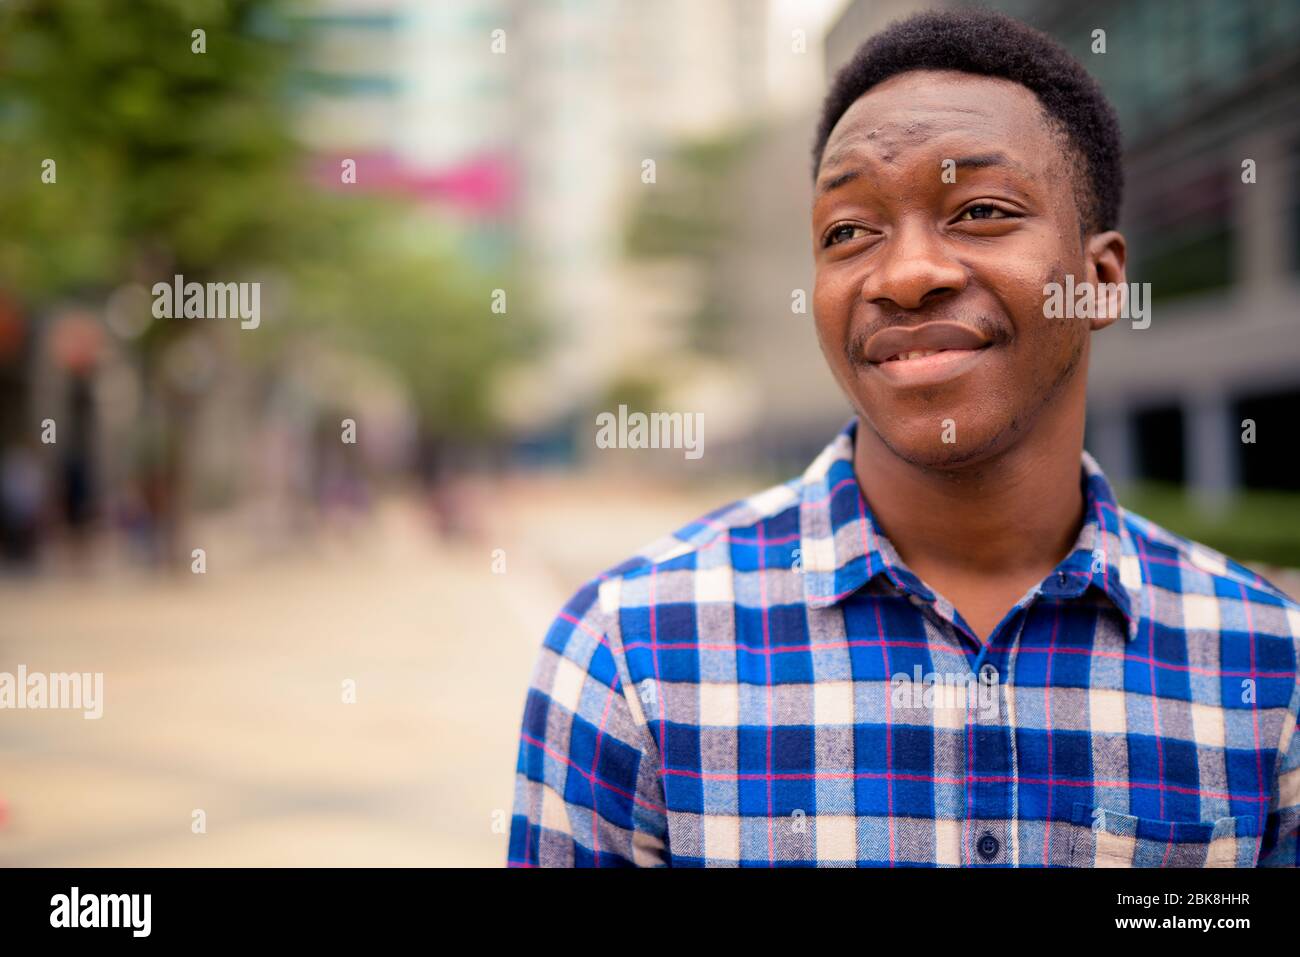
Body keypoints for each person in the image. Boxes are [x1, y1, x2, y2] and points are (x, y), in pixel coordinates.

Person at [507, 9, 1300, 867]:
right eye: (848, 231)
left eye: (982, 211)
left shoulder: (1267, 665)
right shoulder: (631, 653)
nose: (906, 274)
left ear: (1101, 278)